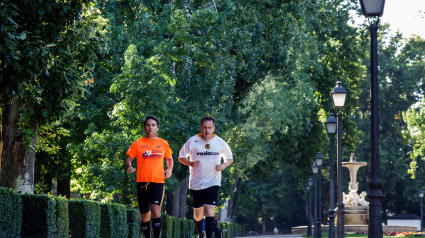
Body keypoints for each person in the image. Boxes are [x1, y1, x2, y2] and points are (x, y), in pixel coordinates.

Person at [179, 116, 233, 238]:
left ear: (213, 128)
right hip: (196, 183)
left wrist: (223, 165)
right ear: (200, 128)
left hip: (213, 181)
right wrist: (191, 163)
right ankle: (200, 233)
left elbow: (230, 159)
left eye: (209, 127)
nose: (207, 130)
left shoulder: (220, 142)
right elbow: (181, 156)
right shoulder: (193, 141)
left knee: (209, 211)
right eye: (204, 127)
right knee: (198, 215)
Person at [124, 116, 173, 238]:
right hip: (142, 183)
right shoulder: (138, 143)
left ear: (157, 128)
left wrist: (170, 169)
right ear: (144, 127)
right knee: (144, 215)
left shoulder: (163, 143)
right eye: (147, 125)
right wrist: (128, 166)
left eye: (153, 125)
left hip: (157, 182)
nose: (150, 127)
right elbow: (128, 159)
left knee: (156, 211)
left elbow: (170, 159)